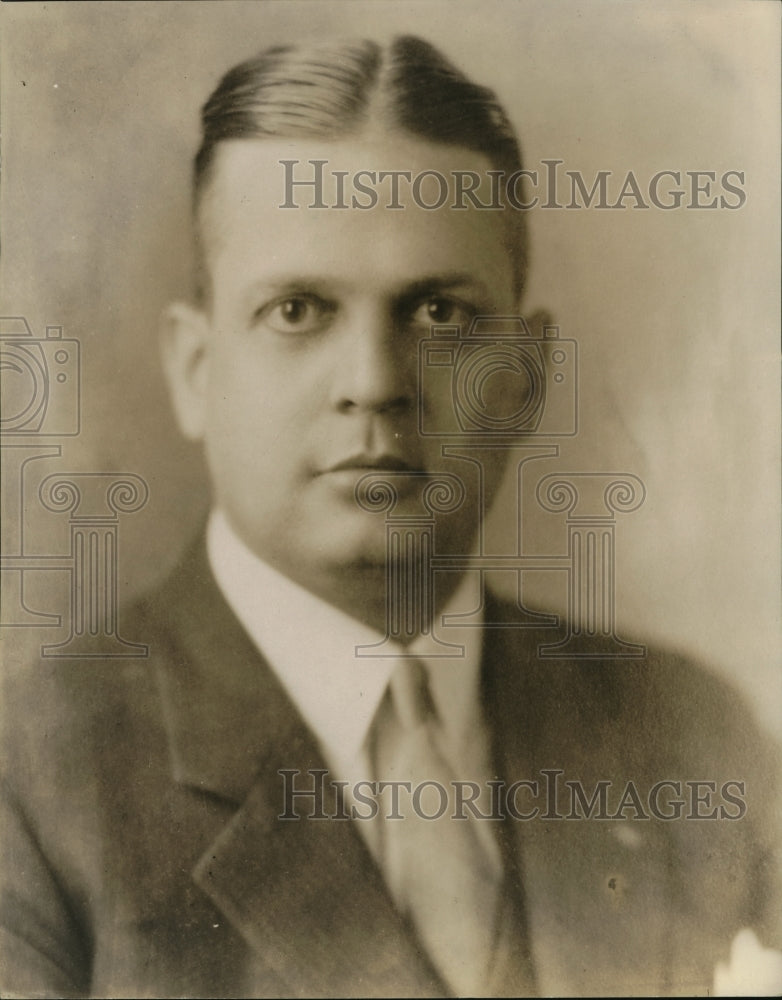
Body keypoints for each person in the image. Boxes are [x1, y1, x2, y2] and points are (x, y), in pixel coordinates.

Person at [1, 34, 779, 998]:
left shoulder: (697, 741)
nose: (373, 384)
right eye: (298, 311)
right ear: (195, 370)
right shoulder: (32, 789)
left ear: (526, 380)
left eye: (440, 315)